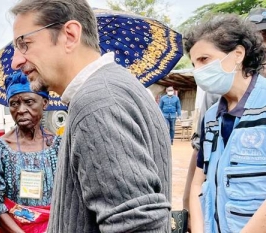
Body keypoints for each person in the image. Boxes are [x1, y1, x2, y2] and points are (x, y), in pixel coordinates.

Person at [9, 0, 172, 232]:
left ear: (70, 35)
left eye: (24, 43)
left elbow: (138, 225)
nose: (16, 61)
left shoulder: (97, 102)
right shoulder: (113, 87)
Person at [186, 15, 266, 232]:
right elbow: (197, 183)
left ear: (238, 54)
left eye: (204, 59)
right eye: (194, 64)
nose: (198, 71)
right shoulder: (211, 117)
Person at [0, 72, 61, 233]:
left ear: (44, 103)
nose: (21, 110)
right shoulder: (0, 148)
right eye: (14, 104)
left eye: (29, 102)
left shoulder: (58, 146)